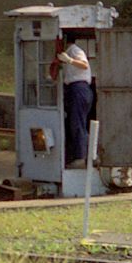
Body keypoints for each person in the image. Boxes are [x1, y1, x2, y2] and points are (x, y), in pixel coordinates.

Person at [58, 36, 93, 169]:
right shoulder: (68, 53)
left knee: (77, 123)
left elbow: (84, 65)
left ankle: (81, 157)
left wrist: (70, 60)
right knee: (74, 123)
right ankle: (78, 154)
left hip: (79, 88)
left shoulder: (74, 50)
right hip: (73, 89)